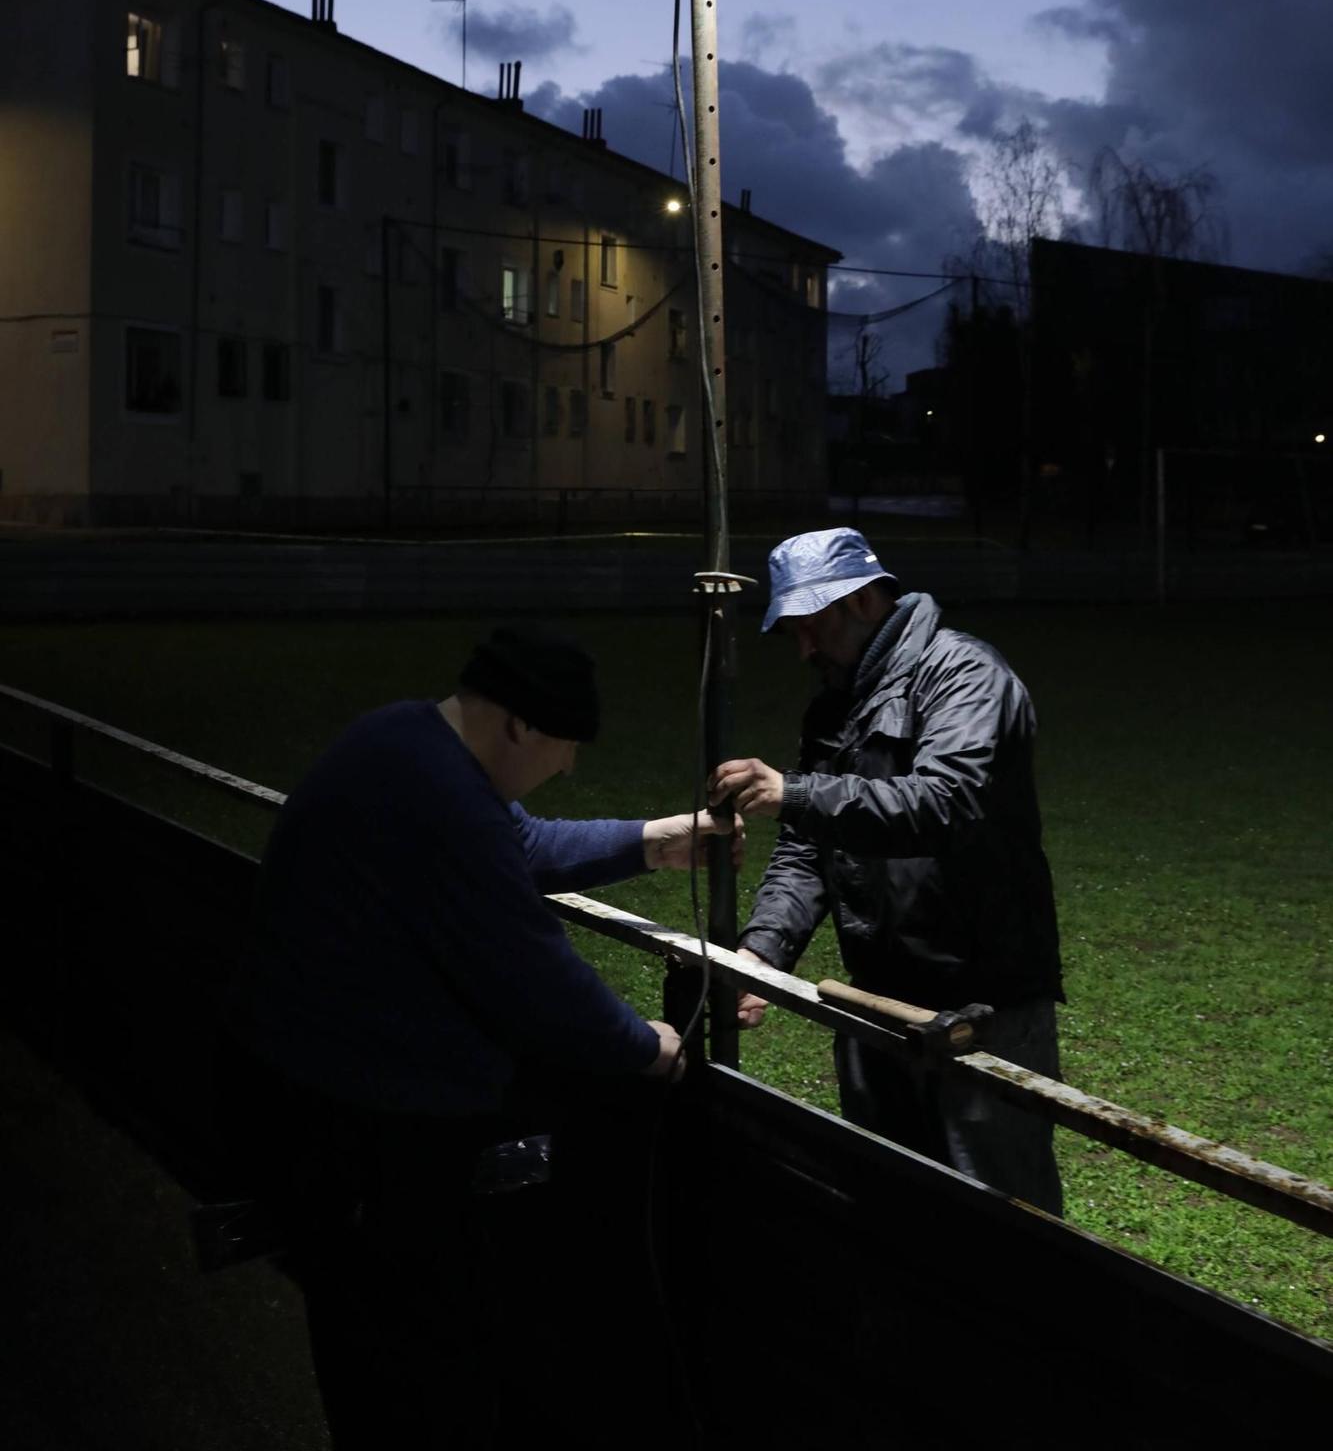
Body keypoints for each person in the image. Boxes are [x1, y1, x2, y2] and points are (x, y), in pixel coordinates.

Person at [219, 623, 734, 1448]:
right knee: (411, 1365)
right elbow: (533, 978)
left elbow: (517, 841)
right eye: (565, 746)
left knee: (376, 1340)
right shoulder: (437, 798)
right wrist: (646, 1046)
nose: (567, 766)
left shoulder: (402, 739)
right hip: (360, 1127)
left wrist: (650, 842)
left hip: (313, 1094)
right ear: (521, 727)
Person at [709, 527, 1065, 1215]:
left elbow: (949, 800)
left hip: (980, 1003)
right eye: (793, 634)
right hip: (874, 1001)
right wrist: (763, 950)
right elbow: (810, 844)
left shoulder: (964, 674)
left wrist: (798, 793)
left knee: (1001, 1218)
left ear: (866, 599)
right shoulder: (836, 701)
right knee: (888, 1202)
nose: (804, 649)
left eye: (812, 626)